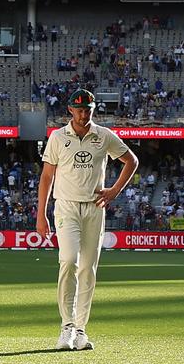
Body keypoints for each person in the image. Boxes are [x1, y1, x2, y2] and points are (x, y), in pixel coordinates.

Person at [36, 89, 138, 351]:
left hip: (95, 207)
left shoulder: (103, 135)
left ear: (93, 110)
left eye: (88, 110)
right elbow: (47, 177)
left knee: (88, 269)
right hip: (66, 206)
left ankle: (81, 329)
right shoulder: (58, 137)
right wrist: (40, 213)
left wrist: (114, 190)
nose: (84, 114)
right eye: (79, 110)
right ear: (70, 110)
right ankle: (66, 326)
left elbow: (131, 160)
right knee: (69, 261)